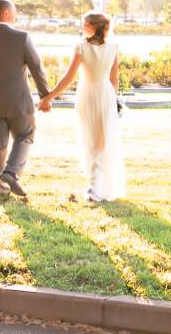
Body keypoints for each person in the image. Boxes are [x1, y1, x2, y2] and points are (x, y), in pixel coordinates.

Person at [40, 12, 125, 202]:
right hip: (105, 95)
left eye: (85, 24)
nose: (82, 27)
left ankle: (94, 187)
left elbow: (69, 77)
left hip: (88, 94)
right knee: (102, 139)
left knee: (91, 140)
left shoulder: (81, 47)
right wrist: (113, 99)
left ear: (93, 27)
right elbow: (114, 81)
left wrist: (49, 97)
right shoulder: (113, 47)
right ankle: (97, 186)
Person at [0, 0, 51, 198]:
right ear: (6, 13)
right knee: (26, 135)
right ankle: (11, 172)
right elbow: (37, 68)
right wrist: (45, 96)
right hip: (20, 102)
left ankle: (0, 186)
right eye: (14, 11)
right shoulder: (22, 37)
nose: (15, 14)